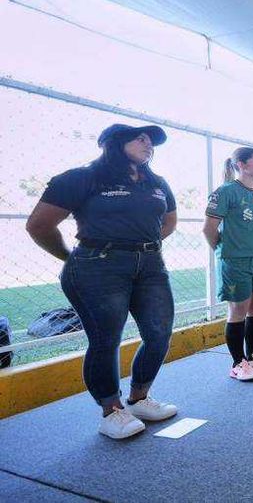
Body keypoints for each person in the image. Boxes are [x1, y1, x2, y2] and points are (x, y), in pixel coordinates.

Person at [26, 124, 178, 439]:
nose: (148, 144)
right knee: (106, 340)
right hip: (98, 265)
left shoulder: (157, 182)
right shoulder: (82, 178)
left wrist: (140, 244)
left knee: (160, 332)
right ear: (114, 142)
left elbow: (169, 221)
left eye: (152, 142)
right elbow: (39, 225)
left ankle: (138, 398)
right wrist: (73, 258)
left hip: (150, 264)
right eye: (140, 138)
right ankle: (111, 410)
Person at [204, 147, 253, 382]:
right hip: (236, 261)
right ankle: (238, 363)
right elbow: (209, 229)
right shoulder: (226, 192)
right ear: (241, 165)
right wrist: (225, 251)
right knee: (238, 310)